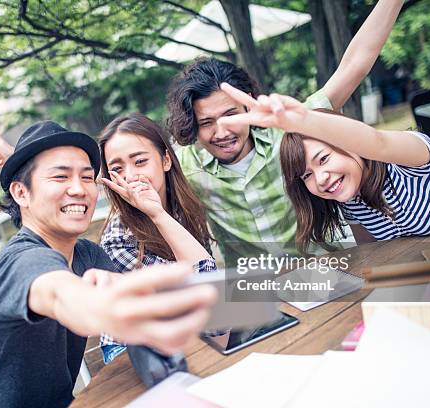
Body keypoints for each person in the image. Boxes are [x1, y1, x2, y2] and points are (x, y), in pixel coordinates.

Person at [0, 121, 216, 407]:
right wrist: (102, 307)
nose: (79, 189)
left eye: (87, 177)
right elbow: (60, 294)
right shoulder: (18, 262)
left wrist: (155, 214)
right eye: (60, 177)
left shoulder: (87, 255)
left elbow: (206, 280)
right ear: (20, 193)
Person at [165, 0, 404, 258]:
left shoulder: (291, 130)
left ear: (248, 105)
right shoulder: (184, 167)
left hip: (326, 271)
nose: (222, 132)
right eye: (206, 123)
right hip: (255, 288)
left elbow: (354, 66)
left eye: (230, 115)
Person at [213, 84, 430, 252]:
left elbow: (378, 142)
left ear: (349, 145)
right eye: (306, 175)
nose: (321, 178)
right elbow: (376, 254)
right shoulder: (350, 198)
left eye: (323, 159)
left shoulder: (411, 159)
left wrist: (304, 121)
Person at [97, 112, 217, 362]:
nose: (130, 176)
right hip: (132, 348)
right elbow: (202, 284)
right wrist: (156, 214)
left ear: (165, 160)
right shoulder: (117, 240)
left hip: (185, 326)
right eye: (117, 169)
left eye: (140, 161)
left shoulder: (183, 207)